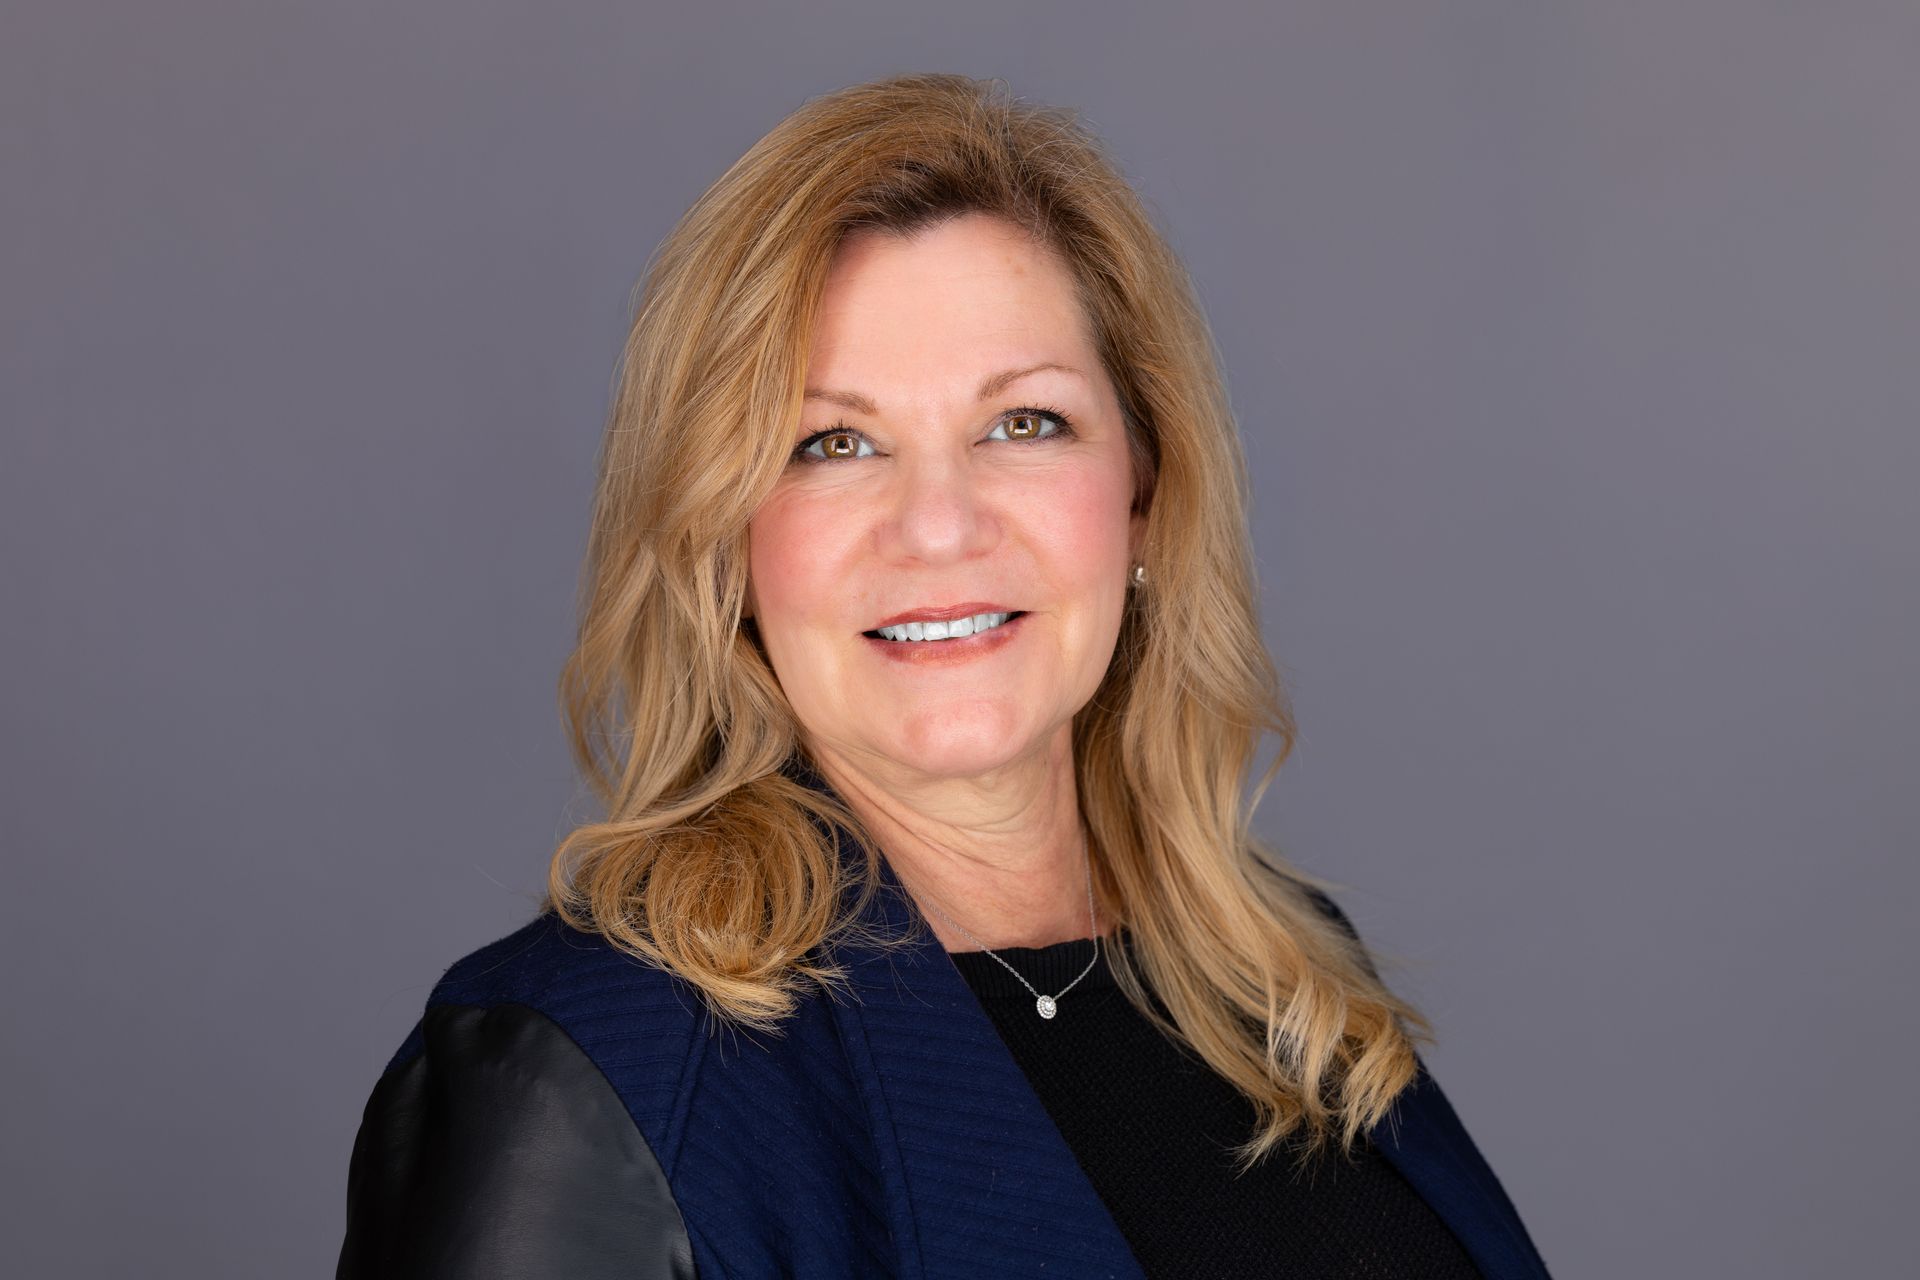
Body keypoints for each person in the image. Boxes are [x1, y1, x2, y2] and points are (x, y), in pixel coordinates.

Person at [335, 72, 1554, 1279]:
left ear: (1144, 491)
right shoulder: (589, 1073)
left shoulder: (1278, 980)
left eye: (1023, 422)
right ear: (724, 541)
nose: (939, 525)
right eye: (834, 442)